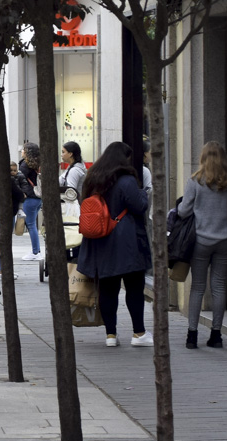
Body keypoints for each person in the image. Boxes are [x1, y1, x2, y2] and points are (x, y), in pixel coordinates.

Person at [76, 141, 153, 348]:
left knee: (108, 288)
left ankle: (111, 335)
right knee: (134, 288)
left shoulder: (92, 179)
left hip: (99, 240)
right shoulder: (126, 180)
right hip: (125, 241)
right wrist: (144, 193)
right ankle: (139, 333)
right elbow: (139, 206)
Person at [179, 141, 227, 349]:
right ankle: (216, 335)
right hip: (225, 240)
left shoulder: (195, 181)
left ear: (203, 158)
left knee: (198, 287)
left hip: (200, 240)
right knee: (218, 285)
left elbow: (183, 212)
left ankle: (192, 335)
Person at [0, 154, 27, 273]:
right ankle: (2, 269)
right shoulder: (6, 179)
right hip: (6, 212)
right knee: (4, 241)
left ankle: (2, 268)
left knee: (2, 239)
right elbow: (19, 194)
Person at [18, 142, 43, 260]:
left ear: (27, 152)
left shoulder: (24, 165)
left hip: (30, 197)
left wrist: (25, 194)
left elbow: (21, 182)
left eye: (23, 150)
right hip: (38, 197)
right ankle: (36, 250)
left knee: (31, 225)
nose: (21, 151)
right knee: (33, 225)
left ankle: (35, 252)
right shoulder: (38, 163)